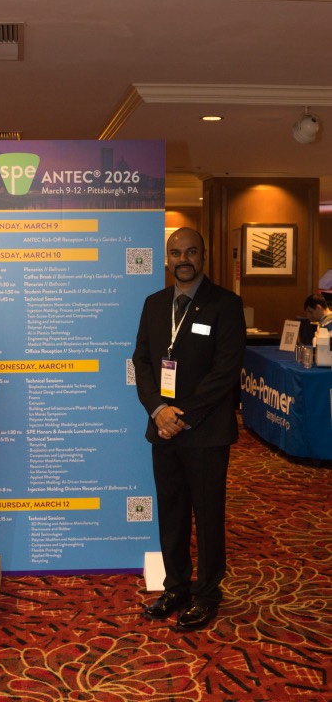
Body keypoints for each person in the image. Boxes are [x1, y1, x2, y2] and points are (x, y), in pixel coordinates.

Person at [132, 228, 246, 632]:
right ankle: (176, 587)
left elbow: (225, 371)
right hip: (162, 429)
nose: (184, 259)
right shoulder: (154, 303)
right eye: (176, 252)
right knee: (172, 513)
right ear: (167, 258)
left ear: (204, 255)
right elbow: (142, 361)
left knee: (208, 516)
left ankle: (208, 594)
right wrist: (158, 410)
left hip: (205, 431)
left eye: (191, 251)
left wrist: (181, 416)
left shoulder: (225, 305)